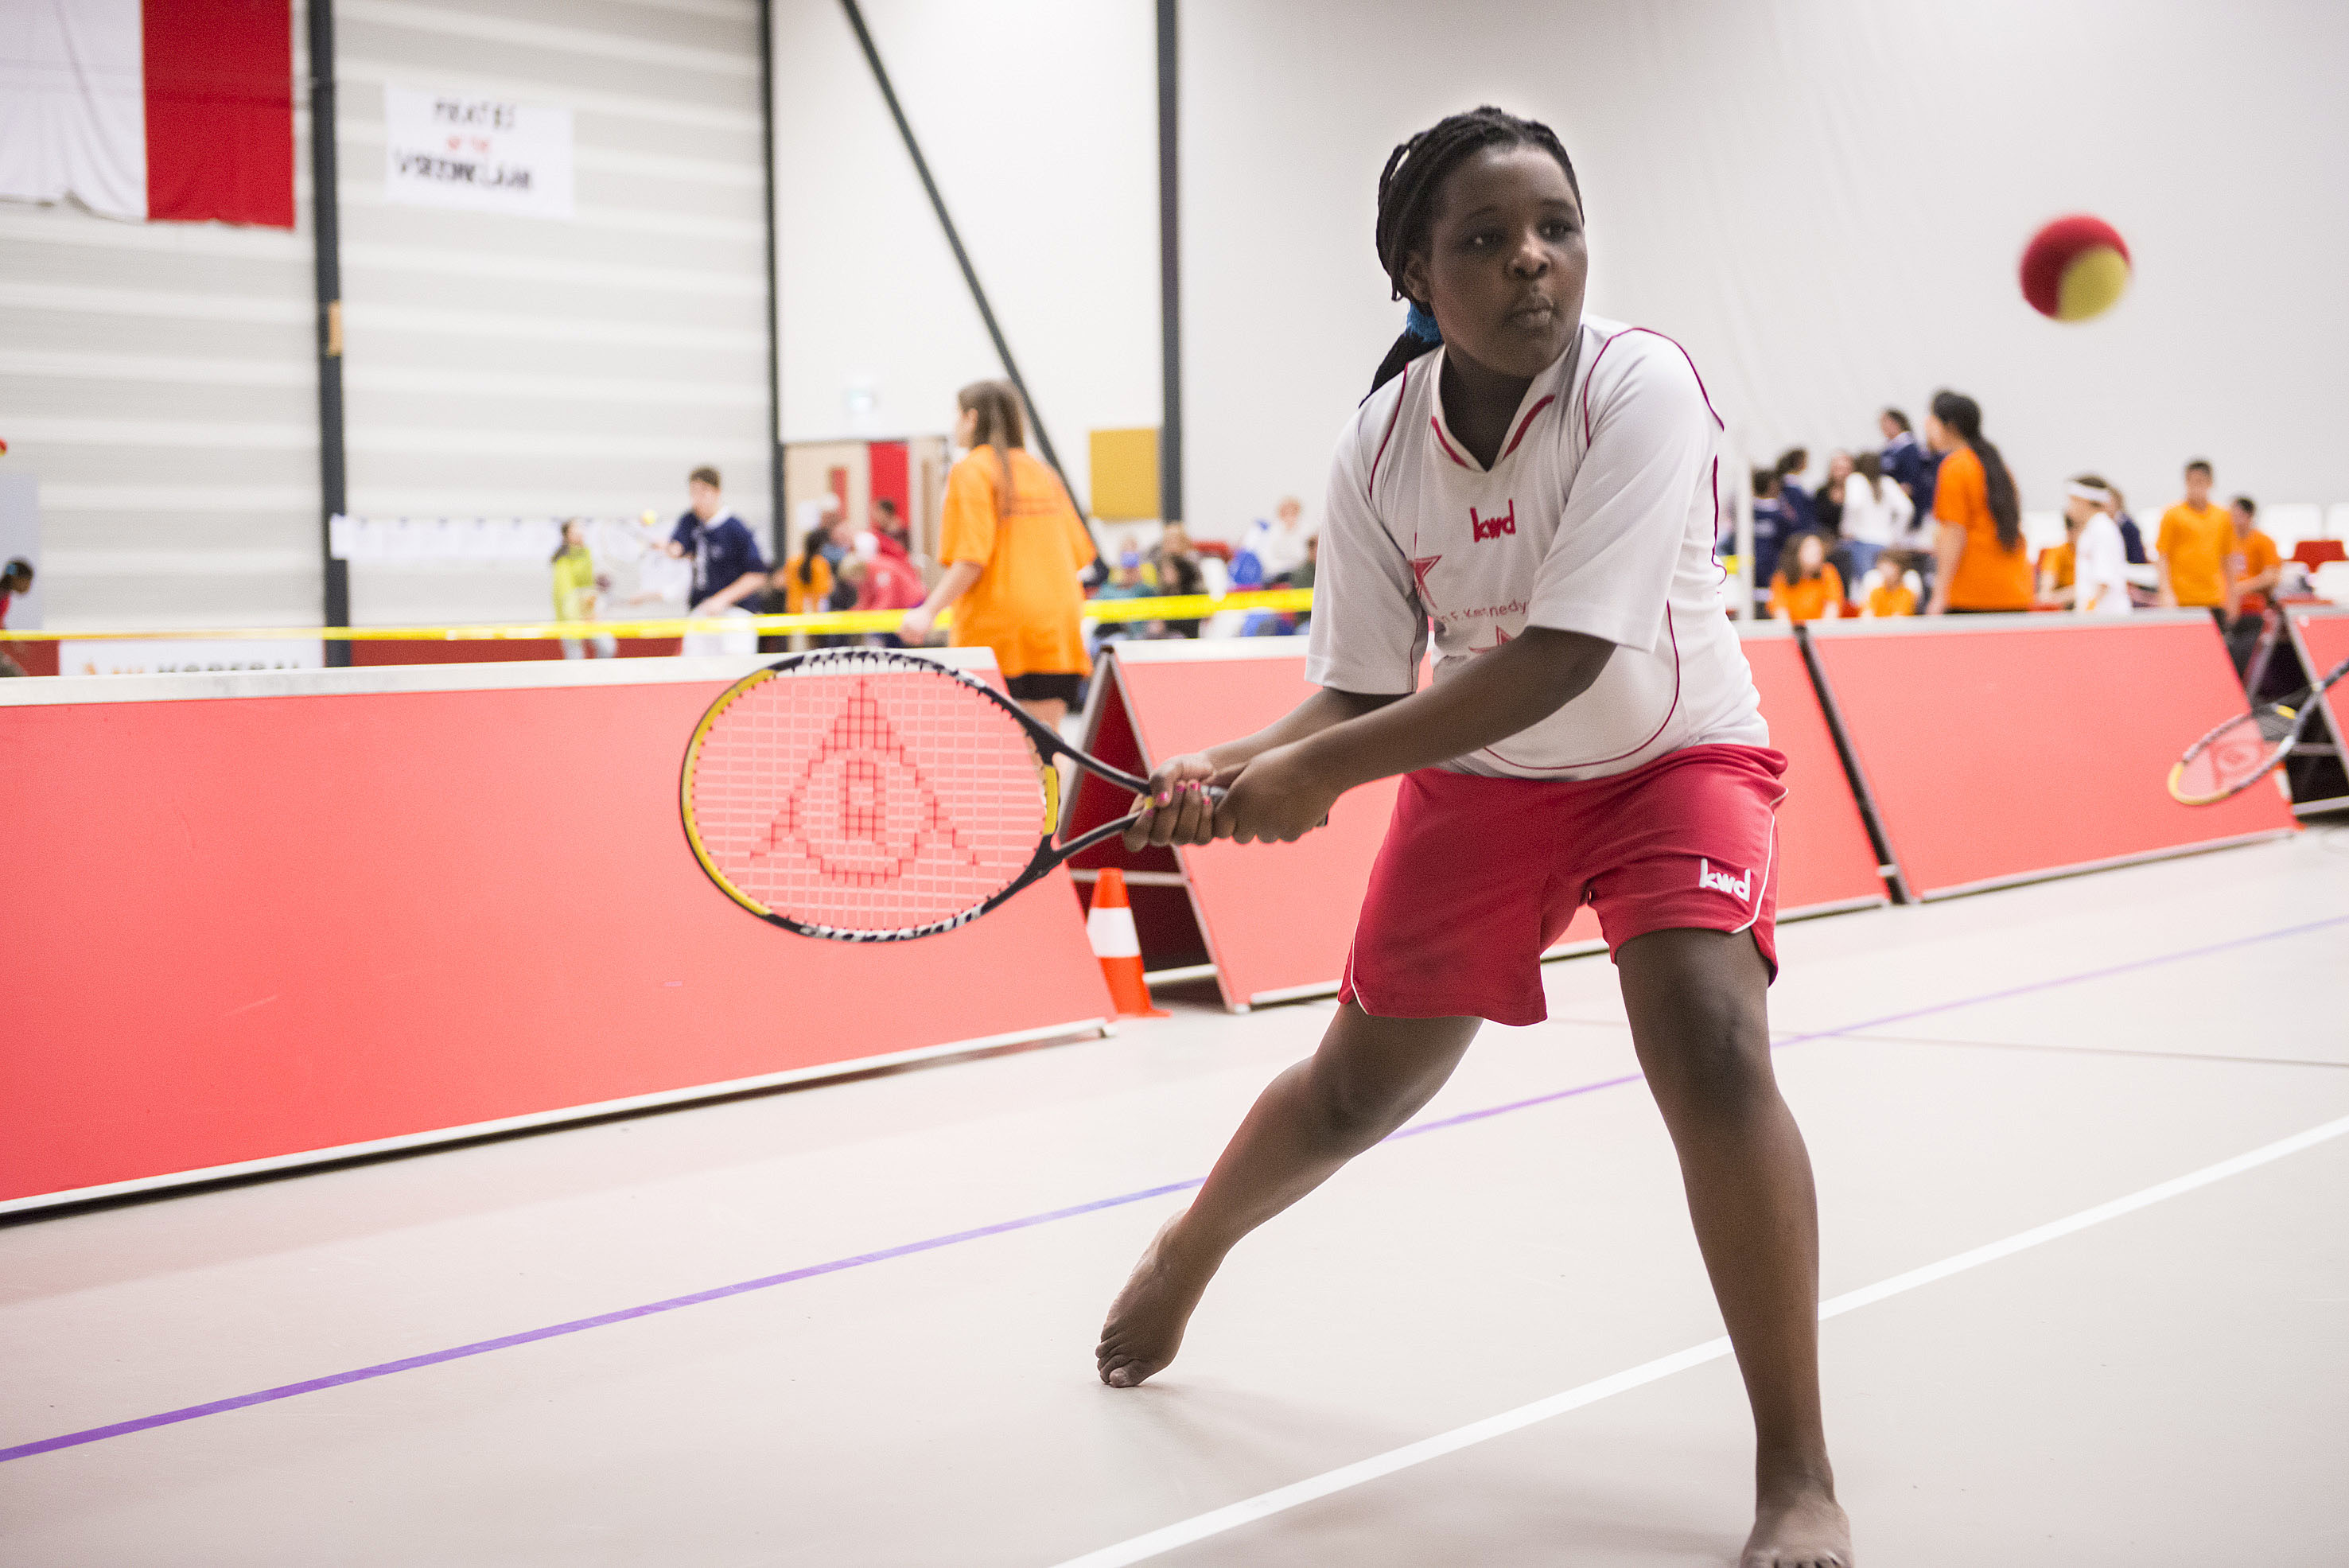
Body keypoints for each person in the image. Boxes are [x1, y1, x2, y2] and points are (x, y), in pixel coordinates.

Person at [1095, 106, 1850, 1567]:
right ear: (1414, 277)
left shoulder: (1641, 386)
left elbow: (1562, 655)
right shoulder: (1379, 448)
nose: (1531, 264)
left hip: (1670, 756)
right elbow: (1361, 680)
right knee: (1355, 1092)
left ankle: (1795, 1472)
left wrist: (1315, 777)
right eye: (1485, 240)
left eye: (1555, 228)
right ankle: (1185, 1251)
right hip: (1485, 778)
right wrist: (1235, 758)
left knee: (1707, 1043)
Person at [898, 380, 1099, 729]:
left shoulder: (970, 470)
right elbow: (1079, 556)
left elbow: (972, 559)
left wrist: (927, 612)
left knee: (994, 753)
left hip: (996, 631)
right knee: (1048, 751)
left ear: (971, 418)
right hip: (1056, 627)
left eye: (956, 415)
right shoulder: (1043, 473)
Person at [1921, 391, 2029, 614]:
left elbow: (1954, 532)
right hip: (2015, 588)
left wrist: (1940, 594)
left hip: (1973, 593)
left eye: (1932, 420)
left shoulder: (1956, 466)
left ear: (1949, 426)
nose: (1926, 426)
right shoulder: (1997, 464)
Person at [664, 465, 767, 655]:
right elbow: (677, 548)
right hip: (702, 610)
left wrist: (722, 600)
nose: (697, 500)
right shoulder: (691, 521)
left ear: (717, 492)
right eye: (693, 493)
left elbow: (757, 575)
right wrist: (665, 546)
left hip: (735, 611)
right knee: (694, 667)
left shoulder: (735, 529)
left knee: (735, 671)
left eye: (703, 493)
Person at [2155, 460, 2237, 621]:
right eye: (2191, 482)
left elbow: (2227, 558)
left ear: (2210, 483)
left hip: (2213, 596)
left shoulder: (2222, 516)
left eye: (2200, 482)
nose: (2195, 487)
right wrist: (2165, 592)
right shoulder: (2172, 515)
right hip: (2182, 598)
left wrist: (2232, 596)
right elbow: (2162, 556)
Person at [1831, 450, 1911, 581]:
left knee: (1866, 585)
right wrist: (1897, 535)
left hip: (1863, 541)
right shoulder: (1888, 482)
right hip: (1886, 542)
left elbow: (1853, 505)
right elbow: (1906, 509)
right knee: (1881, 584)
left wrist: (1846, 529)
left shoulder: (1856, 480)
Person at [550, 519, 617, 659]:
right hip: (571, 619)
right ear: (567, 535)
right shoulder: (562, 561)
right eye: (576, 529)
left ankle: (598, 679)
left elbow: (592, 586)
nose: (581, 532)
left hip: (590, 614)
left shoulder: (587, 553)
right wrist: (581, 617)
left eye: (582, 528)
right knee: (575, 659)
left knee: (608, 647)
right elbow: (566, 596)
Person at [1878, 408, 1938, 527]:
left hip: (1906, 503)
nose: (1882, 427)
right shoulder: (1889, 448)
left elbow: (1912, 479)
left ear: (1896, 423)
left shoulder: (1909, 448)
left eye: (1886, 422)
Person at [1769, 531, 1844, 622]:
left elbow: (1833, 605)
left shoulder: (1828, 572)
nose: (1816, 553)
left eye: (1818, 550)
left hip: (1822, 631)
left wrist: (1823, 631)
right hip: (1794, 631)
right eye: (1810, 549)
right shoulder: (1781, 578)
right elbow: (1780, 611)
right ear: (1797, 552)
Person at [1150, 523, 1208, 637]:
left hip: (1189, 614)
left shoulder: (1192, 563)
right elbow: (1158, 591)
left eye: (1176, 540)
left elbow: (1200, 589)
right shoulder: (1159, 562)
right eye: (1169, 540)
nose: (1173, 545)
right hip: (1166, 612)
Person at [1748, 468, 1795, 609]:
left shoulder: (1748, 513)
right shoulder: (1780, 517)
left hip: (1766, 578)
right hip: (1763, 576)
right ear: (1773, 486)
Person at [2228, 496, 2282, 615]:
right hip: (2226, 598)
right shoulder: (2226, 542)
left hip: (2253, 601)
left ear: (2249, 516)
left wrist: (2241, 588)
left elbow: (2272, 576)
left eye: (2236, 514)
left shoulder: (2264, 541)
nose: (2232, 518)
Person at [1241, 496, 1313, 585]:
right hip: (1276, 575)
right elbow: (1266, 557)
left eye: (1293, 513)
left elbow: (1305, 556)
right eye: (1286, 513)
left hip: (1300, 573)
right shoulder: (1272, 531)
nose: (1289, 517)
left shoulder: (1307, 530)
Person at [1860, 550, 1918, 617]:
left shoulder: (1906, 594)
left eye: (1890, 568)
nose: (1886, 573)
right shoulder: (1876, 592)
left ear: (1900, 571)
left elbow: (1899, 618)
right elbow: (1867, 613)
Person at [0, 557, 32, 676]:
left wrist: (12, 641)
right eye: (27, 581)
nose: (28, 586)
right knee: (16, 676)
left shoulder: (5, 595)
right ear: (15, 578)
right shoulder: (2, 595)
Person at [1775, 448, 1816, 532]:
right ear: (1799, 462)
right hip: (1797, 528)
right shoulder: (1790, 485)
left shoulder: (1796, 483)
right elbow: (1796, 511)